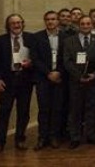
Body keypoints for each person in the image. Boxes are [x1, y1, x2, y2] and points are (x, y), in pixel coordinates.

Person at [0, 14, 36, 154]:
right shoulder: (0, 40)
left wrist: (31, 63)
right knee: (4, 112)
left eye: (18, 22)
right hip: (7, 81)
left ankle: (20, 139)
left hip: (25, 80)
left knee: (23, 112)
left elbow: (37, 57)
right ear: (8, 25)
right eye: (13, 23)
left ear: (22, 23)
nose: (16, 25)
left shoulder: (31, 38)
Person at [63, 15, 95, 149]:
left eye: (88, 24)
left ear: (91, 25)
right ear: (78, 25)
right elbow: (67, 61)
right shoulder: (69, 41)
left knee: (91, 108)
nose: (85, 26)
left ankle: (90, 135)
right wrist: (78, 76)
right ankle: (75, 137)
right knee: (75, 109)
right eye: (83, 24)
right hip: (76, 81)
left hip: (93, 80)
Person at [32, 11, 69, 150]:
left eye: (53, 19)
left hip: (60, 78)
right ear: (44, 21)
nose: (50, 22)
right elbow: (35, 58)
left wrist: (59, 72)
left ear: (58, 21)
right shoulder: (37, 37)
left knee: (57, 109)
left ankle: (54, 136)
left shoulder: (66, 37)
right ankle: (42, 137)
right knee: (44, 109)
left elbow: (67, 58)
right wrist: (48, 73)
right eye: (47, 19)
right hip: (43, 78)